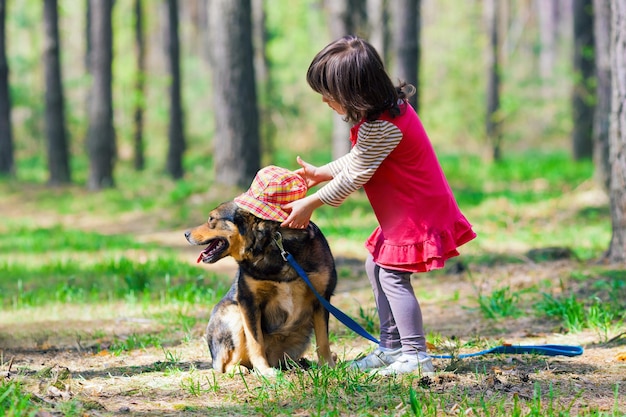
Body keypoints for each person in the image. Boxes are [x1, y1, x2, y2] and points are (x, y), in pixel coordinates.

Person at [280, 35, 477, 375]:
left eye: (330, 95)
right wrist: (321, 173)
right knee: (376, 265)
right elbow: (358, 158)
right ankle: (391, 346)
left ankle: (415, 355)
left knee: (392, 276)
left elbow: (355, 175)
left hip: (416, 211)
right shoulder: (383, 116)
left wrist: (311, 203)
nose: (326, 101)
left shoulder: (384, 126)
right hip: (402, 209)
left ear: (355, 93)